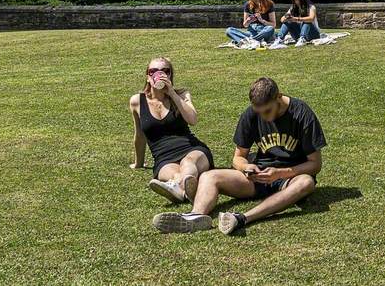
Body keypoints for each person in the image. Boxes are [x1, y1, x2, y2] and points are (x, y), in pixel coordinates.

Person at [151, 77, 325, 235]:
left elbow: (315, 164)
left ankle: (242, 218)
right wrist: (246, 167)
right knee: (209, 176)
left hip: (291, 178)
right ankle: (195, 217)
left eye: (267, 111)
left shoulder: (301, 114)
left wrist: (280, 173)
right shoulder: (251, 115)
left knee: (306, 183)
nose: (263, 117)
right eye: (259, 112)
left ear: (279, 97)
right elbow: (238, 158)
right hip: (258, 177)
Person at [129, 57, 214, 204]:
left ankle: (177, 190)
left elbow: (193, 120)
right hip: (163, 157)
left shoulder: (181, 95)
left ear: (170, 76)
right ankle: (184, 190)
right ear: (148, 77)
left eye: (165, 71)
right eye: (153, 71)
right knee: (176, 174)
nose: (159, 74)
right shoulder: (137, 101)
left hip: (191, 149)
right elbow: (140, 135)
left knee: (188, 164)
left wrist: (172, 94)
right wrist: (138, 163)